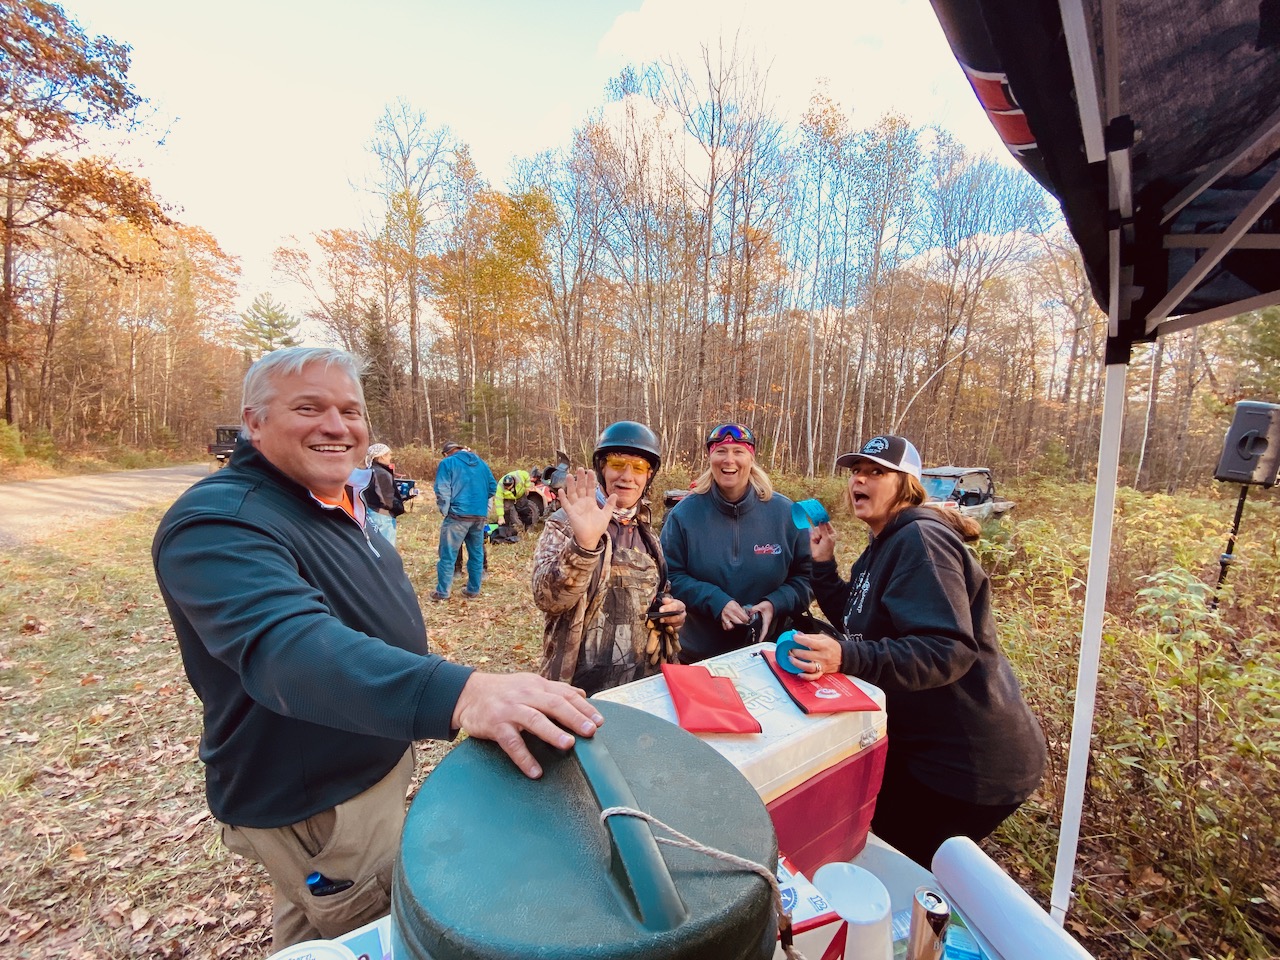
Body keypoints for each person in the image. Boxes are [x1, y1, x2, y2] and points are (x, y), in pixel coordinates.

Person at [151, 347, 602, 950]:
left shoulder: (328, 497)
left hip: (368, 761)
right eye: (308, 408)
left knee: (316, 923)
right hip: (323, 799)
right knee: (381, 929)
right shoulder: (220, 522)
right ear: (254, 422)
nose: (337, 426)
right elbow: (288, 649)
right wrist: (461, 693)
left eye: (350, 410)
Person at [786, 434, 1046, 868]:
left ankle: (923, 932)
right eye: (856, 472)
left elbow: (948, 648)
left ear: (906, 483)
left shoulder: (921, 541)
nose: (859, 481)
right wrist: (825, 565)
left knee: (898, 859)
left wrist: (845, 658)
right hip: (926, 749)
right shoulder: (883, 545)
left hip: (966, 761)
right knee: (880, 841)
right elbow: (857, 621)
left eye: (876, 472)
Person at [533, 421, 686, 695]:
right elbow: (548, 600)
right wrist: (584, 546)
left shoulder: (647, 532)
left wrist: (671, 611)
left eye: (638, 467)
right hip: (577, 691)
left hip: (640, 688)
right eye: (617, 463)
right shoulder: (565, 524)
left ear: (649, 475)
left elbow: (660, 592)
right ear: (602, 468)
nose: (627, 476)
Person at [660, 422, 813, 662]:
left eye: (738, 452)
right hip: (700, 657)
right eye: (721, 451)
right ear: (710, 458)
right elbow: (670, 576)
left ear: (751, 458)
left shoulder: (787, 513)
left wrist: (775, 604)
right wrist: (716, 601)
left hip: (771, 654)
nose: (728, 460)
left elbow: (808, 578)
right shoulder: (683, 515)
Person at [432, 440, 496, 601]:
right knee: (476, 553)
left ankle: (442, 592)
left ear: (448, 453)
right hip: (479, 517)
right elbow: (492, 487)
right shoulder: (482, 464)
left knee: (448, 554)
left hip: (457, 516)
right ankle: (473, 589)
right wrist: (479, 504)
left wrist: (445, 509)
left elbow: (442, 488)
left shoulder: (447, 463)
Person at [361, 442, 403, 546]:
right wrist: (399, 506)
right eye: (389, 455)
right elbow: (386, 500)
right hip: (382, 516)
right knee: (386, 550)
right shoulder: (382, 473)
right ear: (382, 456)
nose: (390, 458)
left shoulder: (369, 470)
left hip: (371, 512)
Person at [495, 467, 536, 534]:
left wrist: (527, 486)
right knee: (506, 512)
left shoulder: (520, 476)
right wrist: (500, 516)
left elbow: (527, 475)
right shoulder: (500, 487)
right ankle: (506, 530)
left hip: (520, 494)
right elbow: (498, 503)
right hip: (508, 497)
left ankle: (528, 528)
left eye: (509, 486)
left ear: (513, 483)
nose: (507, 488)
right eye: (505, 486)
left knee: (524, 510)